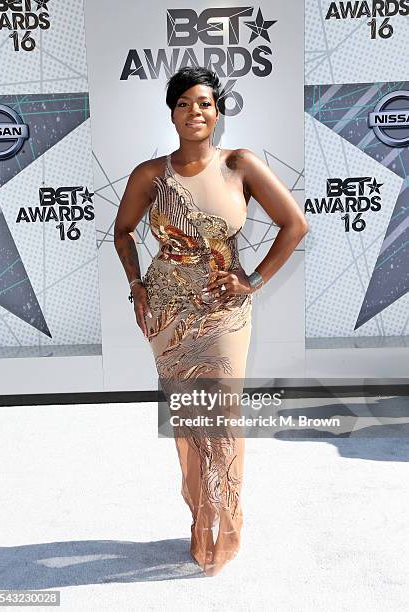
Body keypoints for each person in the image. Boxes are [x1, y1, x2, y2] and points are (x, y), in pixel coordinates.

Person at [114, 66, 308, 576]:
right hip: (168, 311)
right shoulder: (151, 175)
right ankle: (201, 521)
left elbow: (295, 224)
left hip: (224, 311)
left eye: (203, 103)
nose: (193, 112)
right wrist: (136, 287)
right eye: (182, 103)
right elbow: (123, 233)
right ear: (172, 112)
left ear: (217, 111)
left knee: (219, 420)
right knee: (189, 422)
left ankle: (227, 522)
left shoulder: (240, 164)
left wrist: (254, 280)